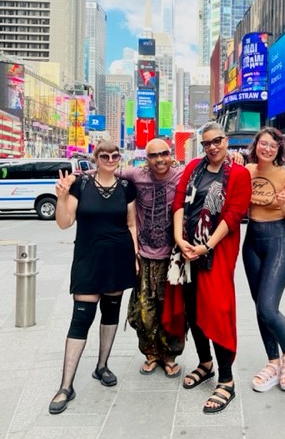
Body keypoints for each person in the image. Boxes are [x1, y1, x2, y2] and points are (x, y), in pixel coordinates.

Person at [167, 122, 251, 414]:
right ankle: (205, 363)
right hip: (186, 250)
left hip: (217, 252)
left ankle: (226, 380)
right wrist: (180, 239)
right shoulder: (192, 168)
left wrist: (206, 246)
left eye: (217, 141)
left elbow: (233, 215)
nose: (212, 147)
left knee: (217, 309)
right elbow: (178, 201)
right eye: (207, 143)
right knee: (192, 309)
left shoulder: (238, 174)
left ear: (226, 141)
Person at [49, 141, 138, 415]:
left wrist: (135, 257)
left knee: (111, 314)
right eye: (105, 155)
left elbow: (131, 223)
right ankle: (66, 385)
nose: (110, 159)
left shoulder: (126, 187)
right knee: (81, 319)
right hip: (88, 259)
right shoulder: (81, 185)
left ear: (119, 158)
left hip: (119, 258)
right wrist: (62, 198)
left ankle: (102, 366)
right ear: (96, 158)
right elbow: (64, 223)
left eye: (114, 155)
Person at [120, 139, 185, 376]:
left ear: (171, 155)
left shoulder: (181, 176)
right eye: (153, 155)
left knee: (172, 309)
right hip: (144, 256)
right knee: (144, 311)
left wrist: (235, 158)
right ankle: (151, 353)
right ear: (146, 159)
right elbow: (108, 170)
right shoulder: (136, 174)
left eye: (164, 154)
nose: (159, 159)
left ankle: (169, 355)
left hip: (172, 258)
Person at [242, 127, 285, 392]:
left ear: (278, 150)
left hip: (279, 240)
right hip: (251, 240)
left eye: (272, 146)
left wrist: (284, 202)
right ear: (256, 145)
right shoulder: (248, 171)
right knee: (258, 307)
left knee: (267, 307)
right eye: (263, 144)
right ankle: (272, 362)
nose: (267, 149)